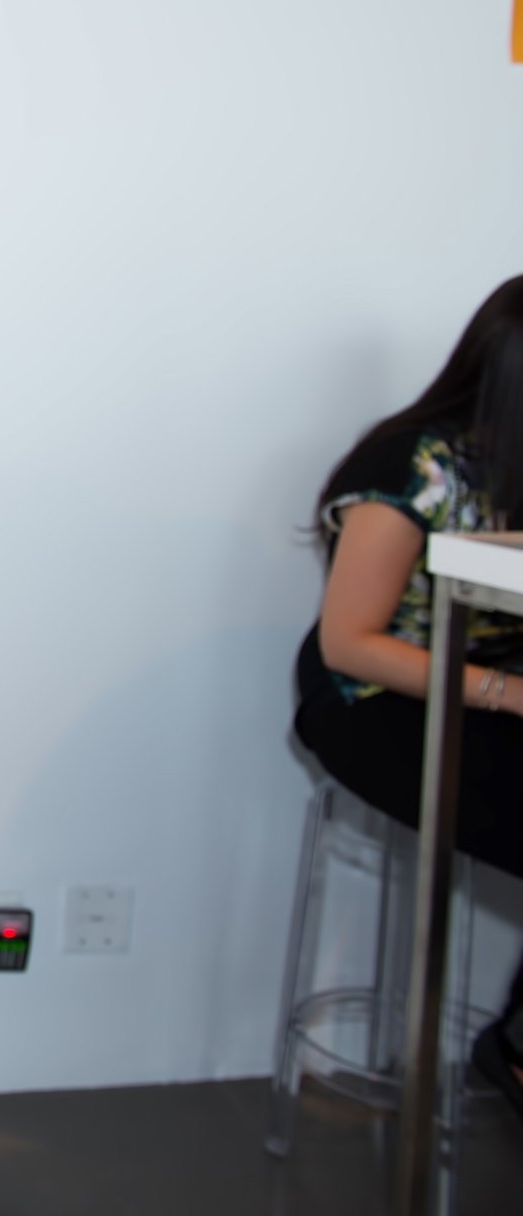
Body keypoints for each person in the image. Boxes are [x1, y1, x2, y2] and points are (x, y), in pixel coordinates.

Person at [294, 275, 523, 1124]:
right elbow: (350, 641)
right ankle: (516, 1048)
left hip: (491, 689)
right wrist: (506, 694)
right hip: (376, 698)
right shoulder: (411, 465)